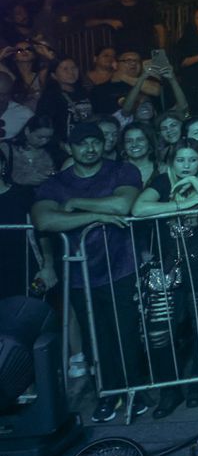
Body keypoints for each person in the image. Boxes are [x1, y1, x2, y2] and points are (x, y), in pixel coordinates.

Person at [31, 122, 149, 422]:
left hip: (121, 266)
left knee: (127, 334)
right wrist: (98, 215)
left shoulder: (122, 171)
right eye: (82, 144)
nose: (90, 148)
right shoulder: (55, 183)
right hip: (81, 274)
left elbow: (123, 204)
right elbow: (44, 221)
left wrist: (76, 205)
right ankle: (108, 394)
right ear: (70, 148)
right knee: (97, 337)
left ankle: (137, 392)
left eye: (95, 142)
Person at [130, 138, 198, 417]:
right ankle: (169, 392)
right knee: (160, 331)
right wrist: (182, 206)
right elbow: (139, 209)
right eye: (181, 160)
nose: (186, 166)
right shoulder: (161, 183)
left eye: (192, 160)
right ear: (172, 162)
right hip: (165, 268)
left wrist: (196, 184)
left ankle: (197, 385)